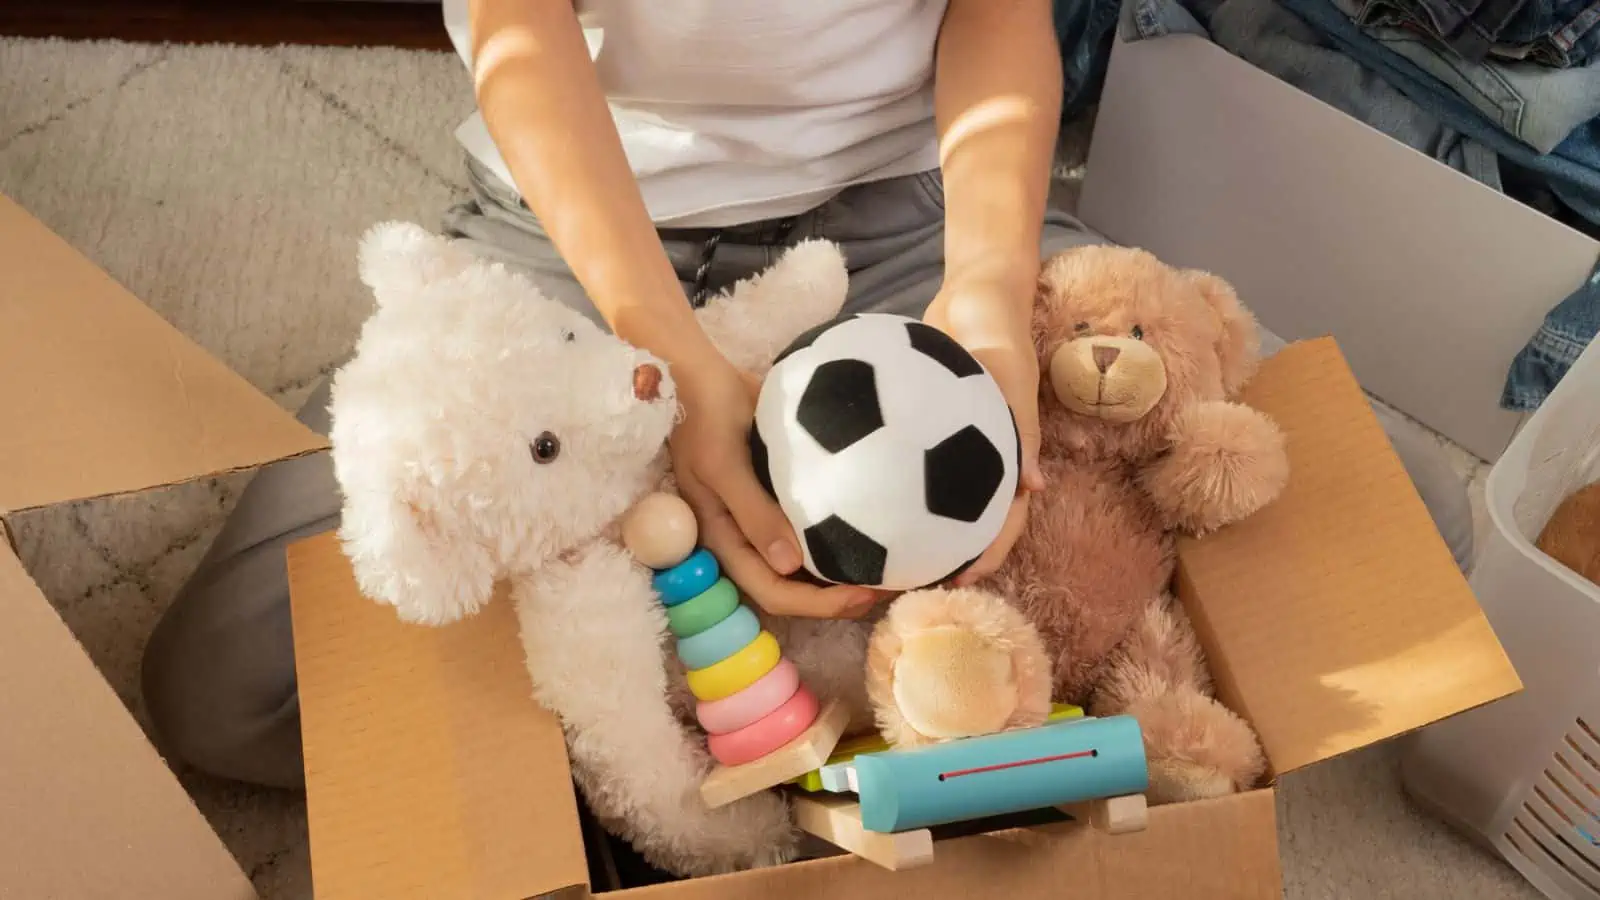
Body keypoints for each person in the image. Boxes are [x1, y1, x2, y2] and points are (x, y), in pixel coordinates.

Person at [139, 0, 1476, 791]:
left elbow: (999, 20)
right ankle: (695, 695)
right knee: (223, 683)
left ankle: (768, 654)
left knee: (1366, 516)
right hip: (574, 241)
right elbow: (519, 40)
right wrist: (670, 369)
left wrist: (988, 308)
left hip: (900, 218)